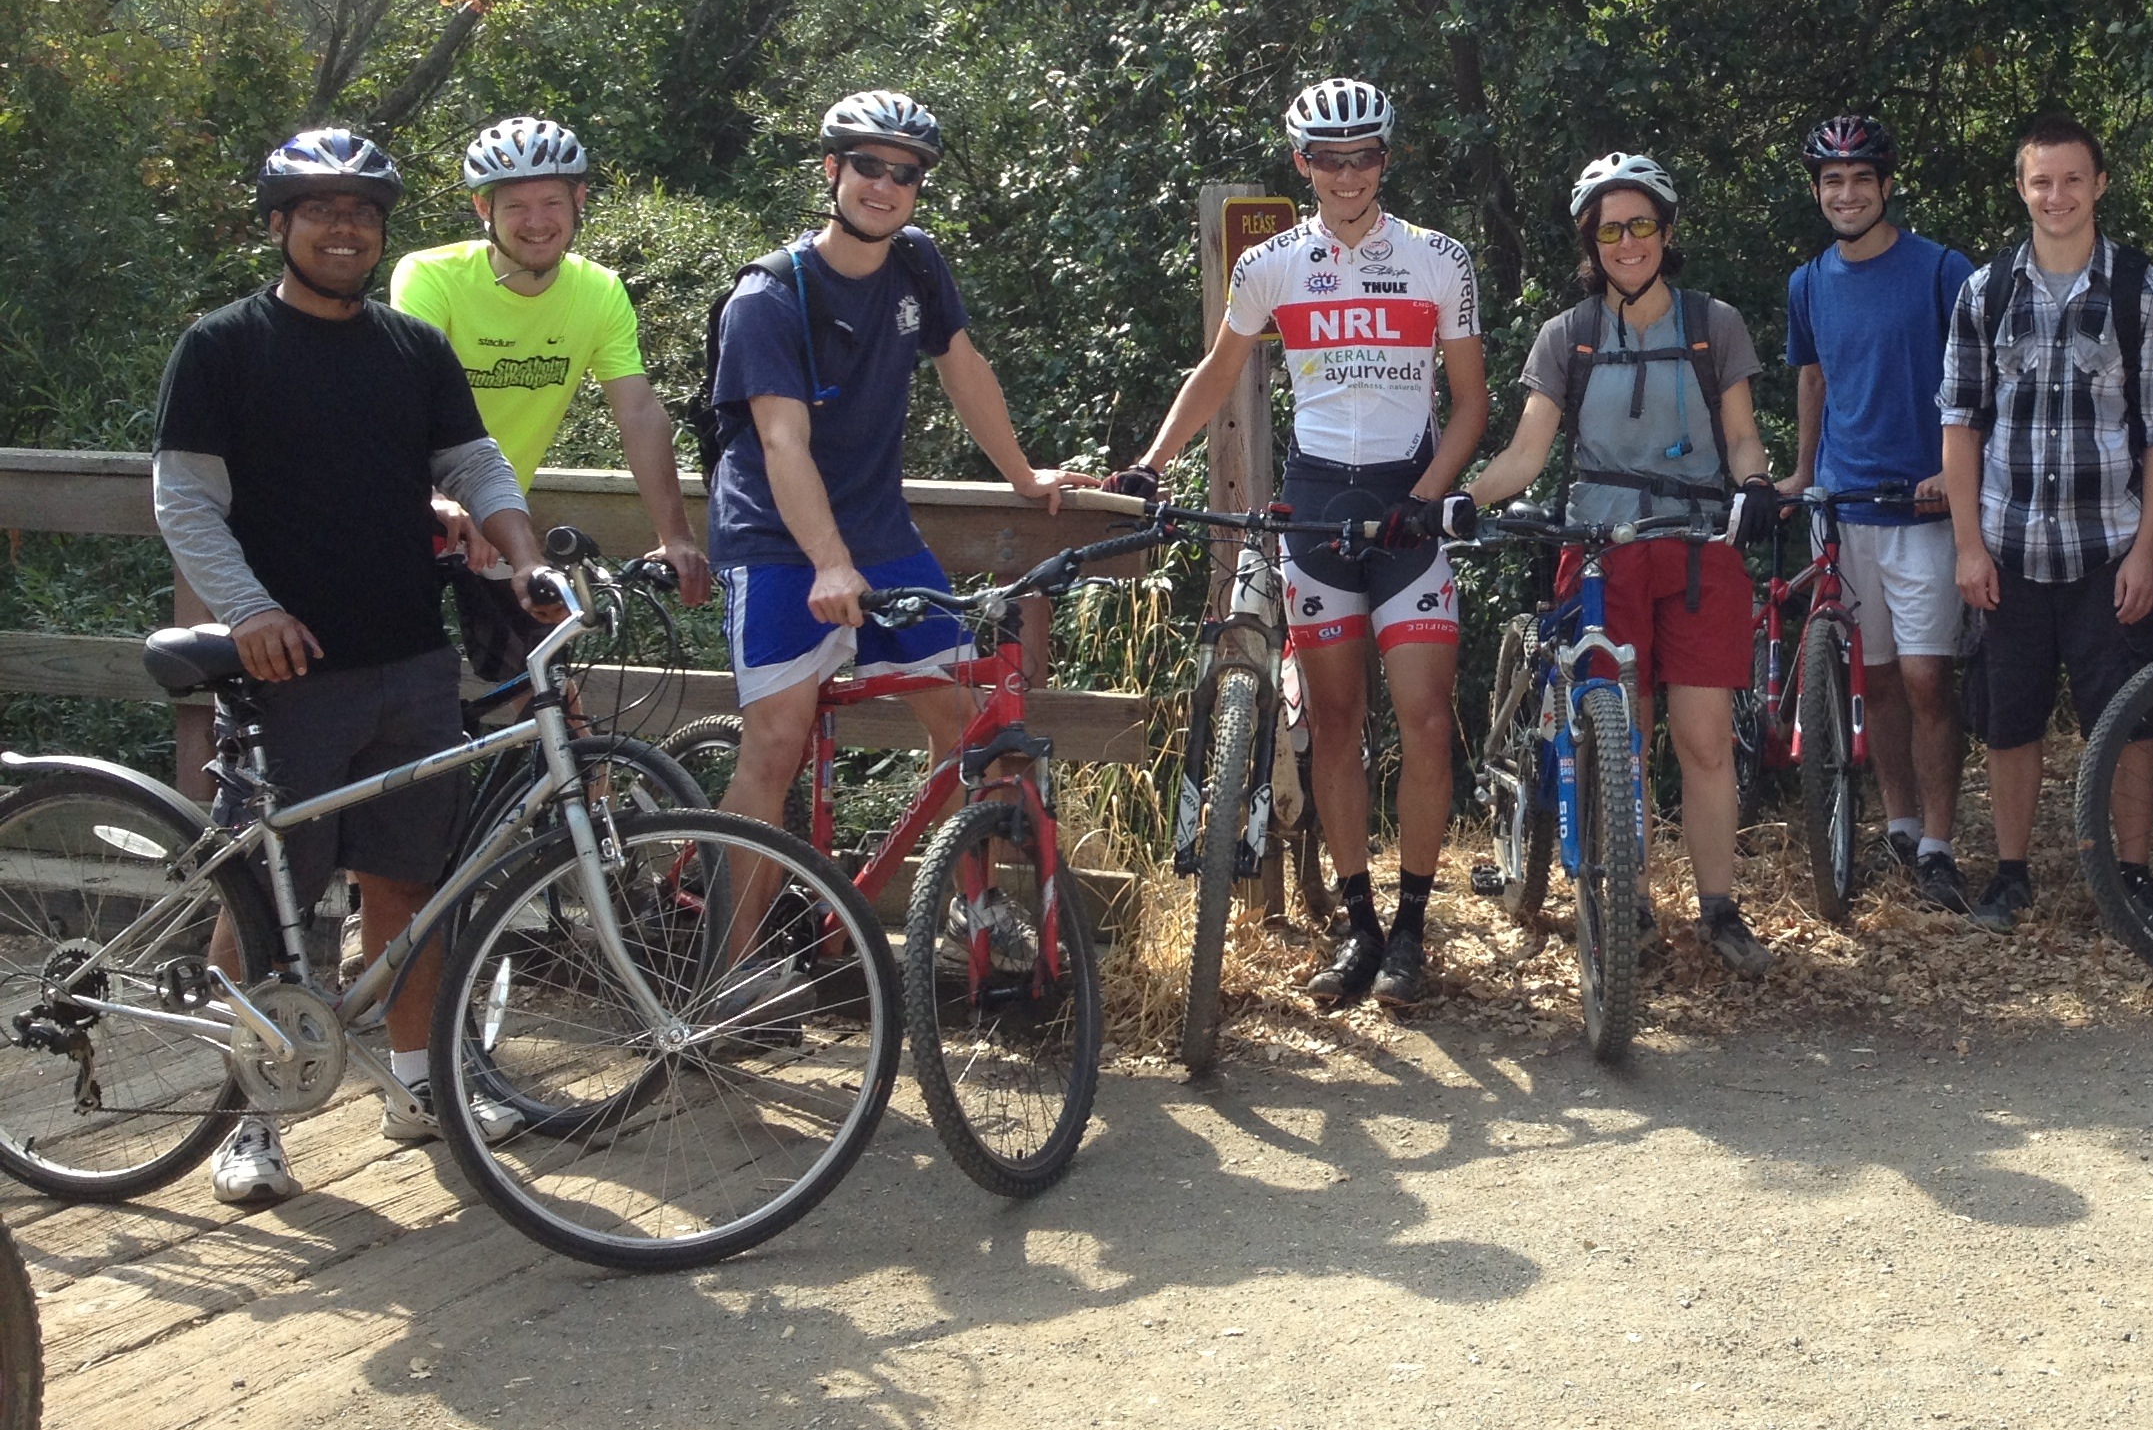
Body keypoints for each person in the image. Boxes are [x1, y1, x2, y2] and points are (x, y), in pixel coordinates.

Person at [152, 129, 554, 1203]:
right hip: (284, 669)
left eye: (364, 213)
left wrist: (521, 554)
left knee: (411, 888)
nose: (346, 228)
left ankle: (419, 1087)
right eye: (320, 209)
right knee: (269, 896)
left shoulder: (411, 348)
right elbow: (185, 498)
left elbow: (471, 462)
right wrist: (248, 613)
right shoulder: (224, 346)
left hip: (411, 662)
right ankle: (252, 1121)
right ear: (278, 225)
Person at [1111, 78, 1491, 1011]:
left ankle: (1412, 926)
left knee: (1427, 719)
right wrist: (1152, 462)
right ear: (1303, 165)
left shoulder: (1439, 259)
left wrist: (1430, 495)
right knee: (1332, 725)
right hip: (1316, 507)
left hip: (1408, 504)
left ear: (1386, 161)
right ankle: (1360, 926)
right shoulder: (1272, 265)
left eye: (1364, 156)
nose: (1348, 174)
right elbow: (1217, 372)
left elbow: (1474, 402)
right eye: (1330, 158)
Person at [705, 92, 1075, 888]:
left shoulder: (916, 260)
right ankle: (722, 988)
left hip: (882, 535)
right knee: (774, 747)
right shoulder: (769, 298)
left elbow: (963, 367)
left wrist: (1020, 475)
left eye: (904, 174)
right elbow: (780, 440)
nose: (885, 186)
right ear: (832, 170)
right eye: (867, 166)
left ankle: (947, 912)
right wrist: (830, 563)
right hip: (776, 541)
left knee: (973, 730)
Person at [1460, 154, 1785, 975]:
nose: (1628, 242)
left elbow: (1743, 433)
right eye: (1611, 229)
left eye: (1642, 224)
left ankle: (1719, 908)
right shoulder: (1566, 336)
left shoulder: (1715, 323)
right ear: (1591, 241)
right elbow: (1529, 451)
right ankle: (1628, 899)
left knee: (1706, 739)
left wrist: (1755, 483)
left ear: (1667, 233)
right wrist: (1466, 499)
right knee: (1624, 736)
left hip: (1697, 543)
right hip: (1601, 551)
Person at [1937, 113, 2153, 933]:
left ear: (2100, 184)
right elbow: (1962, 421)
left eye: (2073, 179)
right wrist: (1969, 545)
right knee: (2009, 719)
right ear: (2021, 187)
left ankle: (2134, 880)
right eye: (2041, 180)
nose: (2057, 196)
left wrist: (2147, 551)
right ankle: (2012, 876)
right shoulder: (1986, 290)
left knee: (2129, 718)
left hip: (2107, 548)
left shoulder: (2143, 290)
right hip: (2010, 549)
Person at [1777, 113, 1977, 911]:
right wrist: (1799, 470)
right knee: (1882, 682)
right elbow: (1814, 377)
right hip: (1846, 508)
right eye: (1833, 181)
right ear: (1819, 192)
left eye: (1863, 179)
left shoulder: (1941, 270)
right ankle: (1898, 826)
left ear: (1887, 186)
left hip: (1924, 508)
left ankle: (1939, 842)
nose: (1848, 193)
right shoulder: (1808, 282)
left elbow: (1982, 381)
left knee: (1931, 681)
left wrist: (1951, 471)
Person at [390, 115, 710, 605]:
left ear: (578, 202)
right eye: (516, 205)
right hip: (407, 508)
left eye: (552, 203)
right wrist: (432, 497)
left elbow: (639, 413)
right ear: (483, 206)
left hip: (500, 520)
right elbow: (405, 398)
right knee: (401, 669)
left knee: (535, 668)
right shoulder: (430, 277)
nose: (536, 223)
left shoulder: (599, 291)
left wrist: (677, 536)